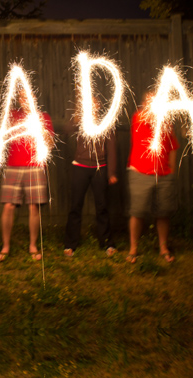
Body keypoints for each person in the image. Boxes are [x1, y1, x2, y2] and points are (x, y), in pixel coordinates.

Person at [0, 89, 54, 262]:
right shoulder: (12, 115)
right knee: (8, 206)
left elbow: (50, 145)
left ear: (34, 97)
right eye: (21, 97)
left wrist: (40, 130)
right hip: (13, 165)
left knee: (33, 207)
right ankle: (5, 246)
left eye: (28, 96)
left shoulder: (44, 117)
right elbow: (2, 132)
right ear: (19, 100)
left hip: (35, 166)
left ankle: (33, 246)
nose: (25, 99)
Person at [126, 92, 179, 264]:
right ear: (144, 103)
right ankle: (133, 249)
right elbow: (149, 119)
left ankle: (163, 248)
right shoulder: (138, 117)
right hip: (140, 172)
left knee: (163, 213)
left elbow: (172, 146)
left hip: (163, 175)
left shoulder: (166, 122)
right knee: (137, 212)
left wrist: (171, 170)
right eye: (150, 101)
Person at [64, 109, 118, 257]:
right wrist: (76, 117)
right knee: (75, 206)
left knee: (102, 206)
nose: (92, 106)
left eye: (95, 103)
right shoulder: (80, 120)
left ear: (99, 106)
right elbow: (67, 129)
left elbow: (111, 147)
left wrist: (111, 172)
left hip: (100, 168)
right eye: (89, 103)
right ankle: (70, 244)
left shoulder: (106, 121)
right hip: (80, 167)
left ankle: (107, 243)